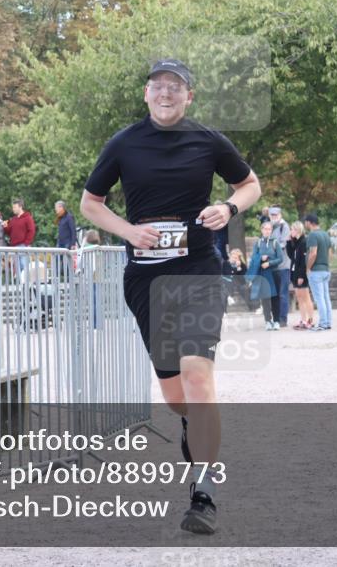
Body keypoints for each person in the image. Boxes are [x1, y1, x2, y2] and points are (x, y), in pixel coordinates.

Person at [79, 57, 261, 535]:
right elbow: (90, 204)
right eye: (158, 85)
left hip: (198, 271)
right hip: (147, 281)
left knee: (198, 376)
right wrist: (127, 231)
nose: (166, 93)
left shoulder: (209, 140)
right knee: (176, 395)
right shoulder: (124, 143)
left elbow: (250, 185)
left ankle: (203, 494)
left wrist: (228, 207)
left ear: (188, 96)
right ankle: (189, 426)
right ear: (146, 94)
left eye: (175, 87)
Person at [246, 221, 282, 330]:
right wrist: (260, 258)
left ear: (271, 230)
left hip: (274, 273)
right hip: (263, 274)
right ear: (261, 230)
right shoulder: (257, 243)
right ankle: (268, 321)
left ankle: (276, 321)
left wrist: (269, 263)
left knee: (275, 297)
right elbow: (253, 259)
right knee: (265, 298)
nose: (267, 231)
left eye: (269, 229)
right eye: (265, 229)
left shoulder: (275, 242)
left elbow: (280, 259)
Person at [305, 213, 333, 331]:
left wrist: (308, 268)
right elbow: (330, 253)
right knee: (326, 298)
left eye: (306, 222)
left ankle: (322, 323)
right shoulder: (326, 234)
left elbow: (313, 253)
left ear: (309, 222)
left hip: (316, 271)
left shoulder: (312, 235)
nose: (305, 224)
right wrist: (326, 264)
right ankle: (328, 322)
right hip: (325, 270)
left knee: (319, 298)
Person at [287, 221, 315, 330]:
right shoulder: (296, 242)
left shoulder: (304, 242)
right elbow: (291, 256)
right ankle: (303, 320)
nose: (290, 231)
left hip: (301, 274)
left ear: (297, 230)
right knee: (299, 297)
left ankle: (310, 321)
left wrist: (301, 276)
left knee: (306, 297)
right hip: (294, 272)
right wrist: (289, 242)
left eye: (292, 229)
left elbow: (304, 261)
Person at [267, 206, 291, 328]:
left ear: (280, 215)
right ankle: (276, 318)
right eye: (272, 215)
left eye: (276, 215)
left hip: (283, 266)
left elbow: (283, 244)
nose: (274, 217)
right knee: (274, 294)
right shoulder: (269, 227)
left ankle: (283, 319)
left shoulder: (284, 226)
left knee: (282, 293)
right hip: (272, 266)